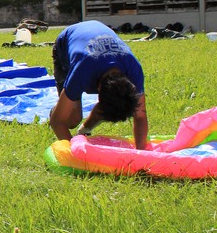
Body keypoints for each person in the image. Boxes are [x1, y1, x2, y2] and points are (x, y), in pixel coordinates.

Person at [49, 20, 149, 150]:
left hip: (96, 33)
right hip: (65, 44)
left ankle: (85, 129)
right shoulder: (82, 71)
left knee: (116, 105)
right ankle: (56, 109)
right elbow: (58, 122)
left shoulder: (133, 69)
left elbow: (140, 117)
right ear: (98, 90)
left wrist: (140, 153)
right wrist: (75, 153)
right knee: (72, 120)